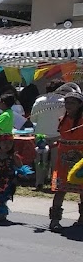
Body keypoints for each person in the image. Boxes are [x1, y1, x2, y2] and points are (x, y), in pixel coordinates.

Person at [49, 90, 83, 231]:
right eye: (67, 102)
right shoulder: (62, 119)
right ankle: (55, 220)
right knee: (61, 190)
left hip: (80, 159)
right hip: (63, 159)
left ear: (80, 104)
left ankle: (82, 218)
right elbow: (62, 137)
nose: (69, 105)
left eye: (72, 102)